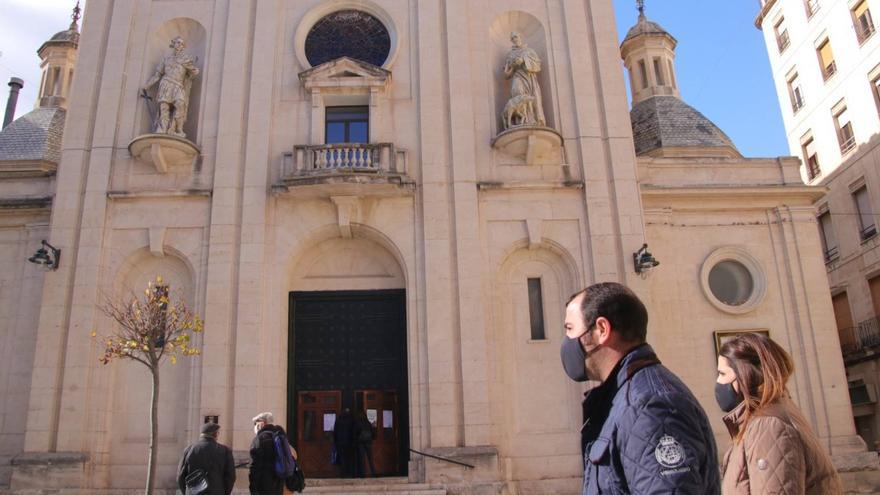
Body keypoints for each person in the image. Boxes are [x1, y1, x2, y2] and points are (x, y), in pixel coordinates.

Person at [560, 282, 719, 494]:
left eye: (570, 329)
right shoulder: (622, 398)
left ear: (602, 330)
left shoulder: (650, 406)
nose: (567, 341)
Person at [716, 333, 842, 494]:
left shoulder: (768, 426)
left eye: (723, 373)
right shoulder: (776, 413)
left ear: (746, 375)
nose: (718, 381)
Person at [142, 36, 200, 137]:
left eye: (181, 44)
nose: (179, 45)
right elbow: (157, 75)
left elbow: (194, 71)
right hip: (166, 83)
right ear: (173, 45)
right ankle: (163, 129)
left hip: (178, 86)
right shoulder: (166, 59)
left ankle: (178, 129)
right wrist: (147, 85)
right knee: (164, 107)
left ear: (183, 47)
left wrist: (192, 73)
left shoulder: (185, 60)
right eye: (177, 43)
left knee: (180, 105)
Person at [176, 422, 236, 495]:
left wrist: (187, 492)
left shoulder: (189, 449)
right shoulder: (225, 451)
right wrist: (225, 492)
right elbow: (231, 477)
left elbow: (180, 476)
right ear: (216, 434)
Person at [502, 31, 546, 128]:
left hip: (529, 78)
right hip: (517, 77)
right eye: (512, 38)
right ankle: (520, 121)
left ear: (520, 37)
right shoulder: (510, 55)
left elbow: (537, 65)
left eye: (516, 37)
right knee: (518, 95)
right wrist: (513, 66)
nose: (515, 39)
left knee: (530, 98)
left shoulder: (529, 51)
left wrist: (524, 60)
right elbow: (506, 75)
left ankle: (530, 120)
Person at [249, 412, 297, 495]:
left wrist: (253, 488)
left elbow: (255, 466)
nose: (255, 426)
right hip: (279, 483)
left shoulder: (260, 439)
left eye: (255, 423)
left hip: (263, 485)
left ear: (262, 423)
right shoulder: (280, 436)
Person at [332, 408, 356, 477]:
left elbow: (335, 432)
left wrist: (335, 442)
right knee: (349, 459)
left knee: (342, 459)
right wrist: (354, 441)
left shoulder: (338, 420)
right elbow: (353, 432)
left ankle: (343, 473)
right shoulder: (351, 420)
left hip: (340, 443)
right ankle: (349, 473)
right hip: (349, 443)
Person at [353, 411, 376, 477]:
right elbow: (373, 432)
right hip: (368, 442)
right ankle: (373, 472)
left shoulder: (358, 423)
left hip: (361, 443)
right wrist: (372, 438)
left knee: (362, 459)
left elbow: (355, 433)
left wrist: (355, 441)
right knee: (370, 458)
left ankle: (363, 474)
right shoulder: (368, 423)